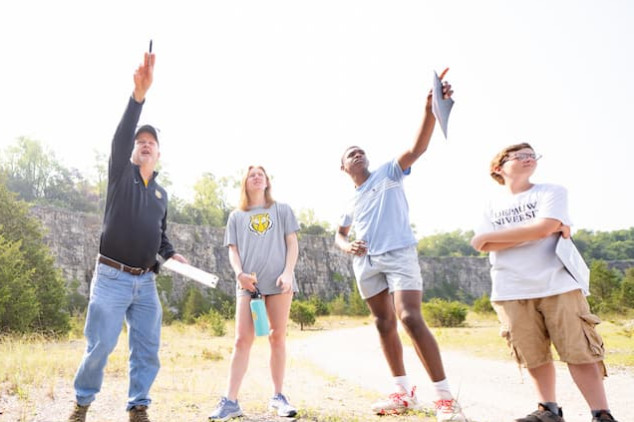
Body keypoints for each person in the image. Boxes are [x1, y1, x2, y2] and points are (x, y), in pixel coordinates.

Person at [335, 78, 466, 422]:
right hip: (366, 263)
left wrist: (429, 112)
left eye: (360, 149)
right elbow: (339, 233)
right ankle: (403, 392)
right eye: (350, 153)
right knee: (382, 323)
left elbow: (418, 147)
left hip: (399, 253)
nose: (357, 153)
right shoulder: (349, 199)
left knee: (409, 316)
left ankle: (445, 398)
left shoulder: (389, 172)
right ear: (343, 167)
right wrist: (348, 245)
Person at [68, 50, 188, 422]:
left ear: (159, 152)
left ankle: (139, 405)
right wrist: (138, 96)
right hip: (111, 276)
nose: (145, 143)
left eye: (151, 141)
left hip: (146, 282)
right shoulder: (121, 174)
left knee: (147, 347)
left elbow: (161, 235)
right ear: (134, 151)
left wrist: (171, 254)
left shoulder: (162, 194)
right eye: (141, 141)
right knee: (101, 344)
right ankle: (82, 403)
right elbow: (121, 138)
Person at [470, 143, 619, 422]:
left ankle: (602, 414)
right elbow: (480, 243)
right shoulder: (490, 203)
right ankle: (548, 410)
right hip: (510, 288)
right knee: (532, 354)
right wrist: (538, 231)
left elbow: (544, 227)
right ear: (498, 168)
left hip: (558, 284)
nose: (529, 159)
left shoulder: (551, 192)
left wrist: (526, 233)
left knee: (579, 351)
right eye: (520, 156)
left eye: (531, 155)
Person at [208, 165, 300, 421]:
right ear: (245, 183)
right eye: (252, 174)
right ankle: (230, 401)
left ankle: (278, 396)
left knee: (277, 337)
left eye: (261, 173)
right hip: (249, 285)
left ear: (267, 181)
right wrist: (239, 274)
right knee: (241, 340)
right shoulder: (236, 216)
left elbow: (292, 243)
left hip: (279, 283)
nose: (257, 176)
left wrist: (288, 272)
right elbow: (233, 250)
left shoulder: (282, 210)